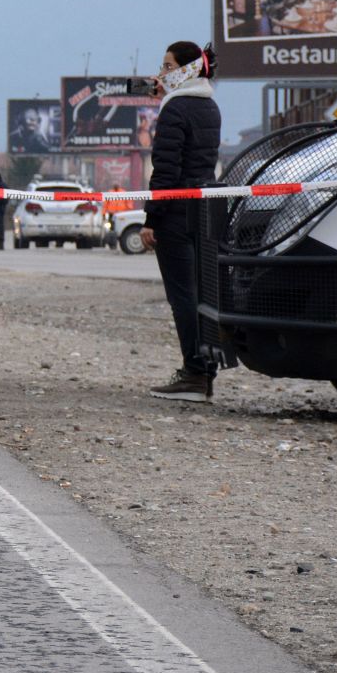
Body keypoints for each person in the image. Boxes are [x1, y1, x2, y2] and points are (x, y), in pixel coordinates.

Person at [143, 40, 222, 403]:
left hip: (174, 212)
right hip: (202, 211)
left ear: (187, 70)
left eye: (168, 66)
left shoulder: (175, 109)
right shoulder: (209, 106)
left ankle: (193, 374)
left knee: (182, 296)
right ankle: (205, 372)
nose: (161, 74)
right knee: (201, 293)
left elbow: (166, 171)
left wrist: (150, 219)